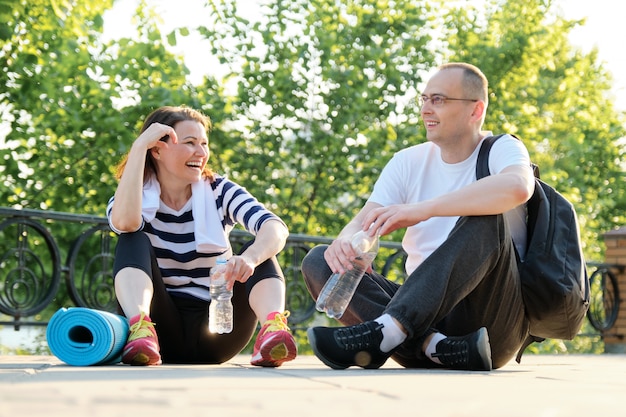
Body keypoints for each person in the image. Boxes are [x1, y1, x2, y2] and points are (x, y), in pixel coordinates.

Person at [302, 62, 535, 371]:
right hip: (425, 313)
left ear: (475, 110)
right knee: (319, 260)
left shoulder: (501, 148)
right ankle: (433, 345)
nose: (426, 109)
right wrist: (346, 243)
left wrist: (423, 209)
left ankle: (389, 332)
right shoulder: (408, 161)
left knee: (487, 214)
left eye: (438, 99)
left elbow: (518, 187)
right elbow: (363, 221)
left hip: (489, 326)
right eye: (423, 99)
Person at [107, 105, 297, 367]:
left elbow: (276, 228)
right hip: (160, 332)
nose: (201, 152)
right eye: (190, 143)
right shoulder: (133, 195)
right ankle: (140, 327)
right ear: (158, 149)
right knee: (132, 237)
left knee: (261, 247)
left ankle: (273, 330)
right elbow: (125, 222)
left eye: (204, 144)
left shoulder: (219, 190)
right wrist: (139, 146)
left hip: (219, 331)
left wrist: (251, 258)